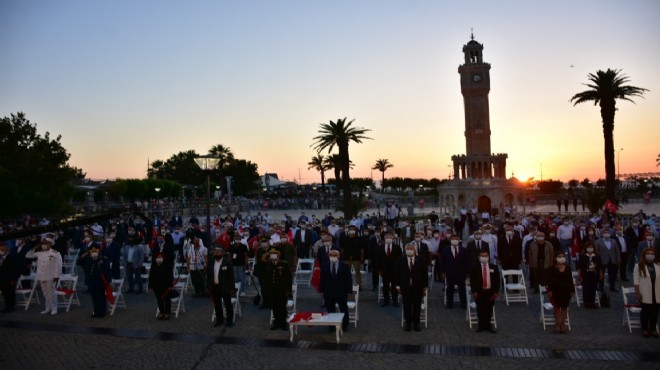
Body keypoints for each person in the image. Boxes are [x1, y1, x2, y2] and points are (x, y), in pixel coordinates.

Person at [396, 243, 428, 332]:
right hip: (405, 287)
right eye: (407, 249)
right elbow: (397, 274)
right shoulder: (400, 260)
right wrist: (398, 286)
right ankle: (408, 324)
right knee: (407, 306)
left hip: (417, 287)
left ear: (414, 250)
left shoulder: (421, 260)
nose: (409, 250)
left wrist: (425, 286)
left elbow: (425, 274)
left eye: (411, 249)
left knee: (417, 306)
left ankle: (416, 324)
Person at [25, 238, 62, 315]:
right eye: (43, 243)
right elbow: (28, 255)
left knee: (51, 293)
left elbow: (58, 265)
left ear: (50, 244)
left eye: (46, 243)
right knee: (45, 293)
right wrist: (36, 246)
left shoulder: (55, 253)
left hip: (51, 276)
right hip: (41, 276)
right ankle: (48, 307)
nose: (44, 245)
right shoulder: (39, 252)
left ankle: (54, 308)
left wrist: (57, 276)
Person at [319, 249, 353, 332]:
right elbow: (322, 279)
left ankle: (345, 325)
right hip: (329, 292)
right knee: (330, 309)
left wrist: (349, 291)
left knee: (343, 308)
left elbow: (349, 279)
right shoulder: (324, 266)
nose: (333, 257)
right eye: (331, 255)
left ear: (338, 256)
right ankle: (331, 325)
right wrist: (322, 291)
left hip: (341, 292)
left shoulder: (345, 266)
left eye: (335, 255)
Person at [469, 250, 500, 333]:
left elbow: (497, 280)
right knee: (480, 309)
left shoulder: (494, 267)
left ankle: (488, 326)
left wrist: (496, 292)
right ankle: (481, 325)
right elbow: (472, 280)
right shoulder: (475, 267)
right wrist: (474, 291)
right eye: (482, 255)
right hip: (479, 292)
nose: (484, 257)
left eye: (486, 255)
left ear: (488, 257)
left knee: (489, 309)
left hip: (490, 291)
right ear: (479, 257)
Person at [77, 245, 111, 318]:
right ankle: (96, 311)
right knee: (94, 297)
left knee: (101, 297)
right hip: (91, 281)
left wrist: (108, 281)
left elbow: (107, 271)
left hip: (100, 281)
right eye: (92, 251)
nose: (94, 253)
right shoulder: (87, 259)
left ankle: (102, 312)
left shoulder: (103, 259)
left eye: (96, 251)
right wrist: (86, 253)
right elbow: (78, 262)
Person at [545, 251, 575, 334]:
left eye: (563, 256)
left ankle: (563, 324)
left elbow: (570, 280)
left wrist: (572, 290)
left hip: (566, 291)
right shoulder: (551, 268)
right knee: (557, 308)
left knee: (564, 308)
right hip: (555, 291)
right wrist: (550, 291)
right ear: (555, 258)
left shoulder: (568, 268)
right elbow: (549, 281)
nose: (562, 258)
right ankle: (558, 324)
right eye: (559, 256)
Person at [263, 249, 292, 331]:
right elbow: (258, 270)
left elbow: (289, 278)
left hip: (282, 290)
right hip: (272, 290)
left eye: (274, 254)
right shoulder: (268, 264)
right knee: (274, 307)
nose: (273, 255)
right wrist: (263, 258)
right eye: (271, 254)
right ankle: (277, 323)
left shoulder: (284, 264)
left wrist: (288, 290)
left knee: (282, 307)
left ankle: (283, 323)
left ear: (278, 255)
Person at [634, 247, 660, 338]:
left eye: (652, 254)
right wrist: (638, 293)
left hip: (656, 292)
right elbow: (636, 281)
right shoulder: (639, 266)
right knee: (645, 312)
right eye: (648, 253)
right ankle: (645, 329)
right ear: (645, 255)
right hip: (645, 292)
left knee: (655, 312)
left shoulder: (658, 265)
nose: (650, 255)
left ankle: (653, 329)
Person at [207, 246, 235, 327]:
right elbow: (209, 275)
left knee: (228, 304)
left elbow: (231, 277)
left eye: (218, 252)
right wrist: (208, 286)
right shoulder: (211, 262)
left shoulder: (227, 263)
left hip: (225, 287)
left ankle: (229, 320)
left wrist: (232, 288)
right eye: (215, 252)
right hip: (215, 287)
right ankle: (219, 319)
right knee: (217, 304)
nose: (216, 254)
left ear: (222, 253)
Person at [149, 235, 175, 320]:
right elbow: (153, 260)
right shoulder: (156, 247)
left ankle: (167, 312)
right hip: (156, 274)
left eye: (161, 238)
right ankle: (161, 311)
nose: (159, 239)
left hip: (165, 273)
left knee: (166, 296)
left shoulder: (168, 246)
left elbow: (171, 259)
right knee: (158, 296)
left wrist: (163, 262)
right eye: (158, 238)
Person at [440, 234, 469, 309]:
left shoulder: (463, 249)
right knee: (450, 288)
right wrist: (442, 272)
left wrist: (467, 272)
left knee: (462, 288)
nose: (455, 240)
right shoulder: (445, 249)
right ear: (450, 240)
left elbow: (467, 262)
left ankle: (463, 303)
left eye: (456, 239)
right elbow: (442, 262)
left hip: (461, 273)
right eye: (453, 239)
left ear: (459, 240)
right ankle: (449, 303)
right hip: (450, 272)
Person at [576, 241, 603, 309]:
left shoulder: (597, 256)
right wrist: (579, 275)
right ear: (586, 248)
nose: (590, 248)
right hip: (585, 274)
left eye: (591, 247)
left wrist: (601, 273)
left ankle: (592, 302)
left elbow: (600, 266)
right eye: (588, 247)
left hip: (594, 274)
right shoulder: (582, 256)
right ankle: (587, 302)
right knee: (586, 288)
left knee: (593, 288)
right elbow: (579, 266)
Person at [378, 232, 402, 307]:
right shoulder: (380, 247)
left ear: (393, 239)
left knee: (394, 286)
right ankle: (386, 301)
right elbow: (377, 259)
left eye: (390, 237)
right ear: (384, 239)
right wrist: (379, 270)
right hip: (384, 271)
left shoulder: (397, 247)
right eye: (387, 238)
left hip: (394, 271)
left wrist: (399, 270)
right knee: (385, 286)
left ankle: (395, 301)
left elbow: (400, 259)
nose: (388, 239)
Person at [340, 225, 365, 289]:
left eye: (353, 229)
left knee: (357, 272)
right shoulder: (344, 238)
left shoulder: (359, 239)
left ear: (355, 230)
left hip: (356, 258)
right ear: (348, 230)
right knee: (346, 273)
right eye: (350, 229)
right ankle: (346, 285)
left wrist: (362, 257)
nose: (352, 230)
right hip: (346, 258)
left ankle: (359, 285)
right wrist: (341, 258)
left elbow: (362, 249)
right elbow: (342, 249)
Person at [595, 228, 620, 292]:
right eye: (605, 233)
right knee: (601, 274)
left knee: (612, 275)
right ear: (602, 234)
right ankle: (601, 287)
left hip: (612, 260)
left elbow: (617, 251)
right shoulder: (598, 241)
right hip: (602, 260)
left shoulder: (614, 241)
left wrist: (618, 259)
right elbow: (596, 252)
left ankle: (612, 287)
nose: (606, 234)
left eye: (608, 233)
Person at [0, 243, 22, 312]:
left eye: (2, 249)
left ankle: (11, 307)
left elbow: (15, 269)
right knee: (5, 294)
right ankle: (7, 307)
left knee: (10, 294)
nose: (1, 251)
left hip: (10, 279)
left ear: (6, 249)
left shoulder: (11, 258)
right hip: (2, 279)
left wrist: (13, 279)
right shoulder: (0, 258)